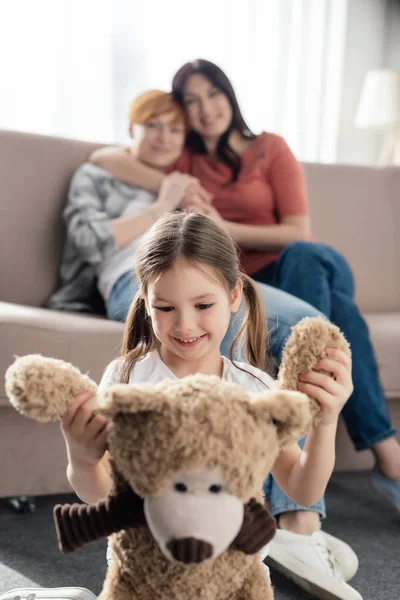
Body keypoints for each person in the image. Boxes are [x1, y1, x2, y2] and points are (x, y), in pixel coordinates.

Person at [91, 60, 400, 519]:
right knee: (327, 318)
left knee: (307, 272)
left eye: (212, 94)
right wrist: (175, 186)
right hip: (233, 281)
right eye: (190, 101)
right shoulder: (184, 158)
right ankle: (379, 459)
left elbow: (298, 230)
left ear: (229, 95)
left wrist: (220, 224)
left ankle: (306, 500)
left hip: (286, 266)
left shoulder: (270, 148)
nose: (205, 109)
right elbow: (106, 158)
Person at [60, 211, 362, 600]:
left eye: (203, 305)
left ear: (234, 296)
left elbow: (302, 491)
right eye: (165, 308)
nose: (185, 326)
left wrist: (326, 420)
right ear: (146, 302)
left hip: (233, 580)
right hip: (145, 581)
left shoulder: (254, 388)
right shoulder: (126, 378)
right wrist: (82, 459)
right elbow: (97, 496)